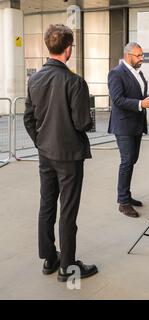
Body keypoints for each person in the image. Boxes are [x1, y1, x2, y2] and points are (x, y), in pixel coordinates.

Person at [23, 24, 97, 282]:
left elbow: (28, 119)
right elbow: (82, 123)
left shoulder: (34, 79)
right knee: (67, 210)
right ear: (68, 49)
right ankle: (67, 266)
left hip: (46, 154)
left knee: (46, 205)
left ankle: (49, 258)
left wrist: (41, 143)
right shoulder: (75, 81)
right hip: (69, 155)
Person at [108, 42, 149, 218]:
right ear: (128, 55)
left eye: (142, 55)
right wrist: (141, 103)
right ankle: (123, 202)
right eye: (138, 56)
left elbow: (137, 98)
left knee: (132, 160)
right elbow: (117, 100)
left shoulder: (138, 73)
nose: (141, 59)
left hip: (136, 124)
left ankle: (126, 195)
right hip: (123, 125)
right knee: (126, 161)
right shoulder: (116, 73)